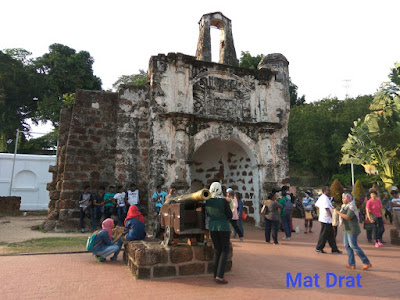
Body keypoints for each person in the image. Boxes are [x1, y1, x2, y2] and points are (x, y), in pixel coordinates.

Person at [335, 193, 372, 270]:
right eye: (342, 198)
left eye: (344, 198)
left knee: (353, 246)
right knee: (347, 246)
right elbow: (342, 214)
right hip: (346, 229)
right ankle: (351, 263)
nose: (343, 200)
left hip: (352, 229)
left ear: (349, 199)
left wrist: (337, 212)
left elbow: (348, 217)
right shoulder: (344, 206)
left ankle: (366, 262)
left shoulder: (352, 206)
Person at [206, 182, 231, 284]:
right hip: (223, 227)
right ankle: (220, 276)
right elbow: (229, 214)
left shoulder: (208, 202)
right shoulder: (224, 202)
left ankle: (215, 274)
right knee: (224, 251)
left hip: (212, 227)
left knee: (217, 250)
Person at [315, 186, 342, 254]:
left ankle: (334, 249)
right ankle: (319, 248)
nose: (330, 192)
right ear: (324, 191)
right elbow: (327, 208)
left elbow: (317, 205)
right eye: (328, 190)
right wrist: (332, 217)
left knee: (331, 235)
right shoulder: (324, 198)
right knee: (324, 234)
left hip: (325, 219)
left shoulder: (323, 197)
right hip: (326, 219)